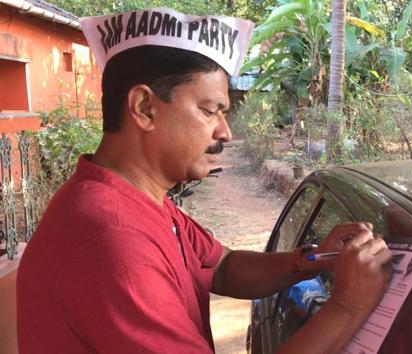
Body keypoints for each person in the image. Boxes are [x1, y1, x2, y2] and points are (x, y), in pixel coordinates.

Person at [16, 8, 392, 354]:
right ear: (144, 108)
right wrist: (347, 305)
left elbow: (222, 267)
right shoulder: (111, 237)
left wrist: (312, 260)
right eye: (210, 110)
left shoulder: (141, 200)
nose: (225, 132)